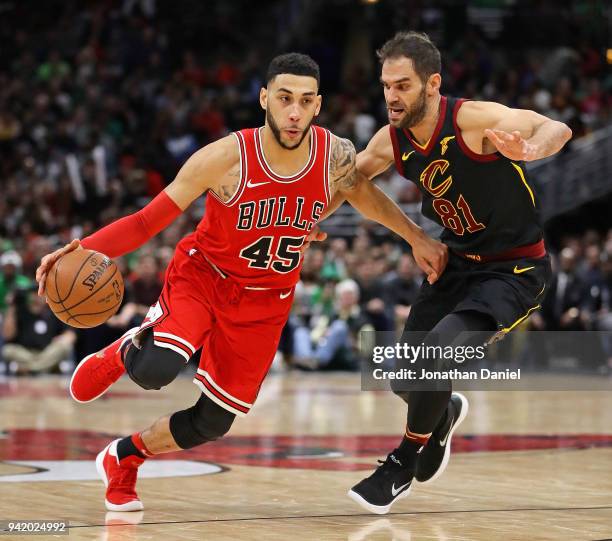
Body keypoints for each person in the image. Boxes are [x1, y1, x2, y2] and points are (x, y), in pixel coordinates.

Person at [36, 53, 446, 512]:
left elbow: (362, 194)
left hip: (265, 302)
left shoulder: (334, 155)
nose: (295, 112)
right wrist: (79, 247)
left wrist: (415, 236)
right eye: (285, 99)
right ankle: (124, 348)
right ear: (264, 99)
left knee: (211, 423)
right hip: (205, 278)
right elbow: (146, 222)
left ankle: (125, 457)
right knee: (155, 368)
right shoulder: (227, 158)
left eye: (306, 101)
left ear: (318, 106)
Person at [315, 31, 572, 514]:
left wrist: (531, 149)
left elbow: (555, 127)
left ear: (432, 84)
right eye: (386, 85)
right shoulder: (390, 139)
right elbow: (350, 179)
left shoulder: (470, 119)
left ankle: (402, 462)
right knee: (403, 379)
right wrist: (306, 221)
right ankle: (444, 412)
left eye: (403, 86)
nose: (391, 96)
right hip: (455, 262)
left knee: (435, 354)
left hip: (513, 270)